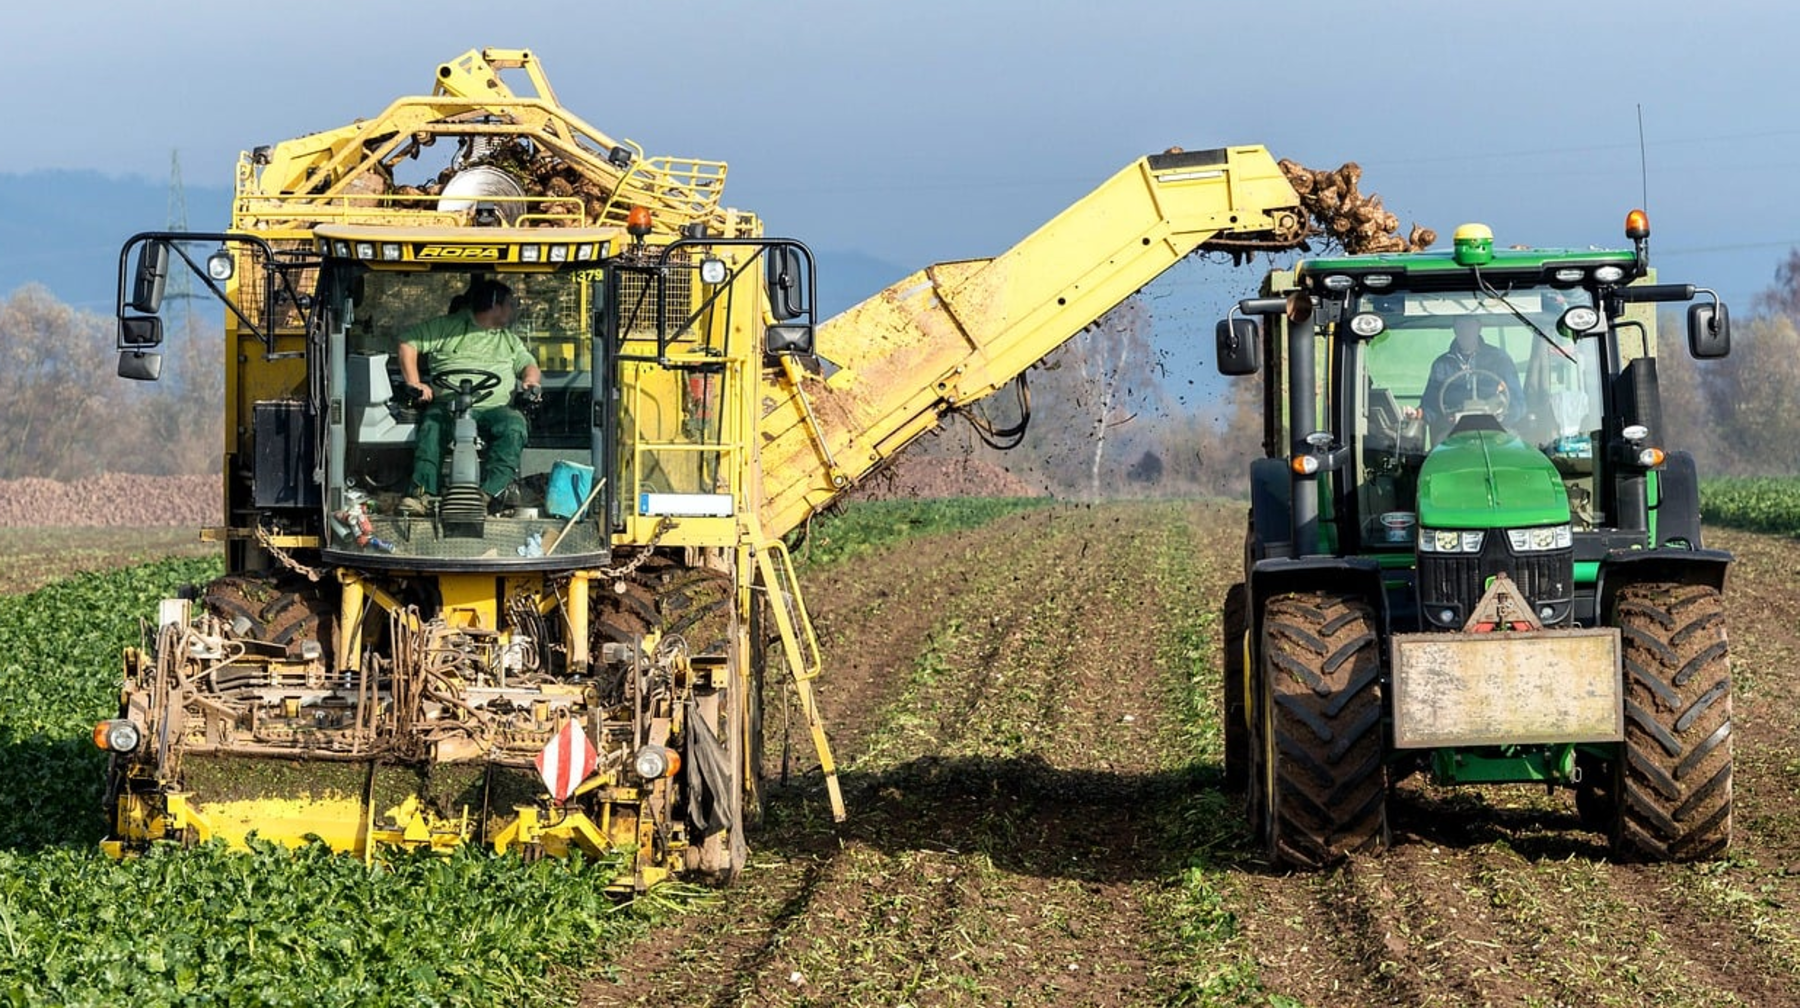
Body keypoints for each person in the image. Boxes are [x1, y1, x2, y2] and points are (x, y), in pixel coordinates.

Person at [397, 279, 541, 514]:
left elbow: (529, 365)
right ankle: (423, 495)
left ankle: (489, 494)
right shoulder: (445, 327)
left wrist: (530, 381)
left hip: (493, 409)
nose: (513, 310)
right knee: (432, 426)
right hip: (447, 405)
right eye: (510, 304)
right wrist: (415, 382)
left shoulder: (508, 339)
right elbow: (407, 343)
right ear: (495, 304)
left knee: (514, 425)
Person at [1421, 317, 1524, 437]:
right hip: (1453, 434)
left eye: (1470, 326)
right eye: (1461, 326)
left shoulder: (1500, 359)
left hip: (1496, 433)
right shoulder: (1441, 364)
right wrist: (1419, 414)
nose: (1465, 331)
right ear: (1454, 329)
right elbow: (1431, 405)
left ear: (1479, 327)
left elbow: (1518, 403)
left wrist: (1500, 417)